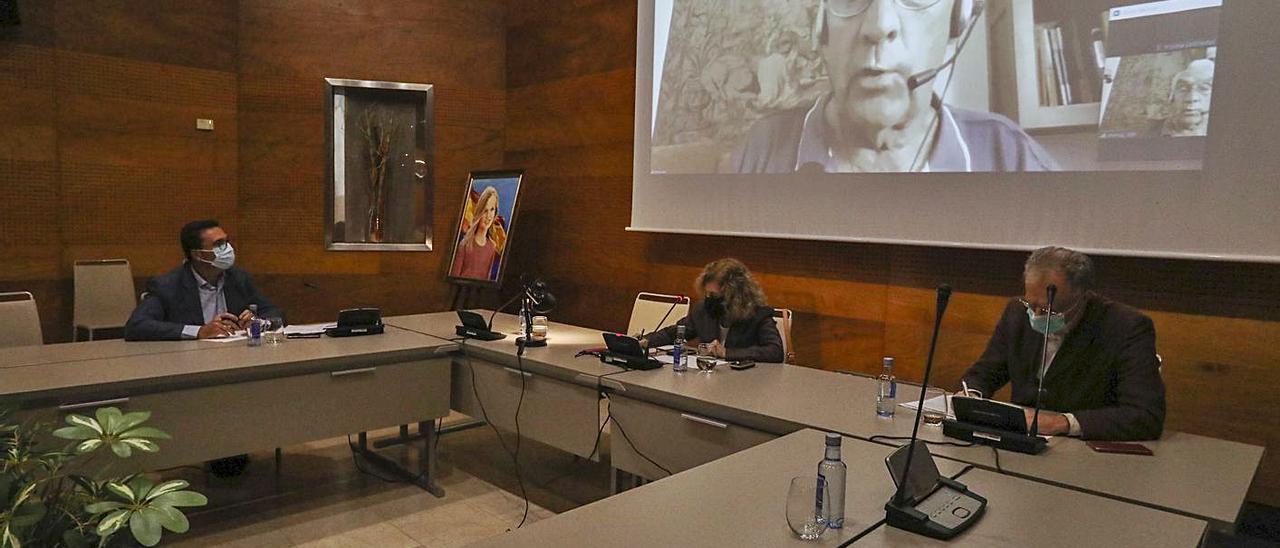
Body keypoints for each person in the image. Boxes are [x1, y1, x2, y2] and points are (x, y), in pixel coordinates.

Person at [732, 0, 1056, 173]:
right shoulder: (760, 149)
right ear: (820, 25)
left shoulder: (1013, 157)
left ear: (959, 18)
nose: (879, 25)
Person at [959, 247, 1165, 441]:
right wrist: (971, 396)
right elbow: (985, 373)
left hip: (1083, 451)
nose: (1037, 316)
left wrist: (1063, 422)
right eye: (1032, 305)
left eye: (1050, 311)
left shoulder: (1125, 326)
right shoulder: (1017, 312)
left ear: (1082, 296)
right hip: (1020, 441)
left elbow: (1145, 416)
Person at [125, 220, 282, 341]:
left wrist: (258, 322)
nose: (228, 249)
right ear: (198, 255)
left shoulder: (238, 278)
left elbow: (275, 313)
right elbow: (137, 326)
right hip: (188, 362)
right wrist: (199, 331)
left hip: (237, 356)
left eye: (226, 242)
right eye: (219, 244)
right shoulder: (168, 286)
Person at [641, 258, 784, 363]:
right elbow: (674, 332)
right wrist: (645, 341)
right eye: (707, 294)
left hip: (745, 382)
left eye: (714, 295)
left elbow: (775, 351)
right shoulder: (703, 310)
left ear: (735, 296)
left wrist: (727, 353)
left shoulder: (758, 313)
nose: (709, 299)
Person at [449, 186, 505, 281]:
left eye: (492, 209)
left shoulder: (492, 246)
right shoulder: (464, 245)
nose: (488, 216)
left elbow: (486, 280)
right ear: (479, 212)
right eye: (485, 210)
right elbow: (453, 279)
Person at [1159, 58, 1213, 137]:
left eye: (1204, 88)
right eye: (1183, 89)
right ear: (1171, 97)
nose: (1192, 98)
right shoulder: (1148, 132)